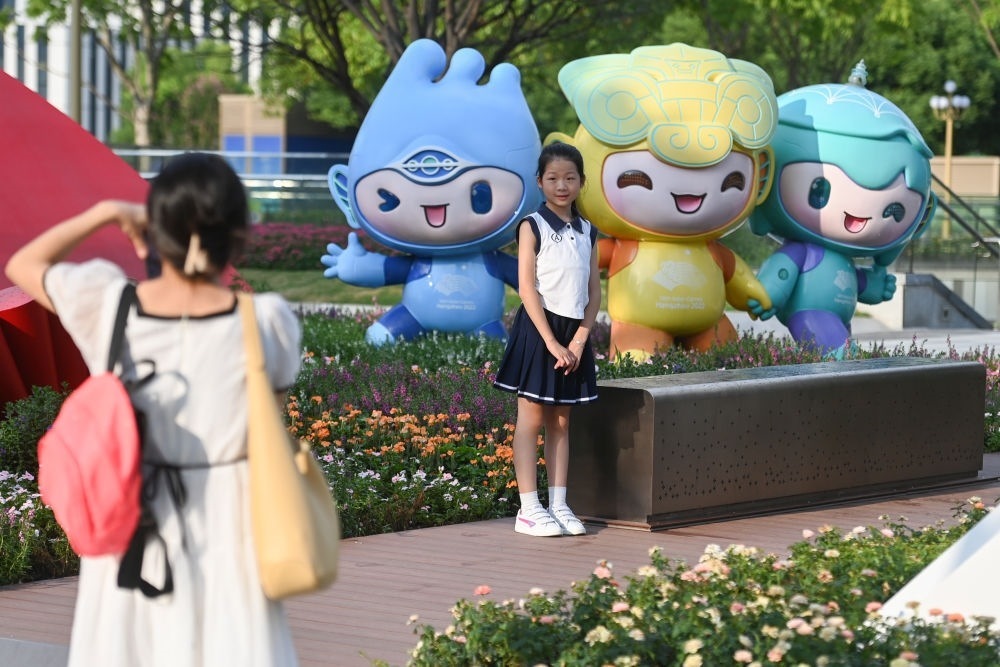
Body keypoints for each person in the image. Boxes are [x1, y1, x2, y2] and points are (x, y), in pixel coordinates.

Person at [5, 152, 302, 666]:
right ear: (239, 235)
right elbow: (269, 422)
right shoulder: (266, 322)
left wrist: (105, 212)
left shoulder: (108, 306)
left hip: (133, 522)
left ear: (152, 230)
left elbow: (22, 267)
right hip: (228, 523)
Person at [493, 142, 601, 537]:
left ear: (581, 182)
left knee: (561, 420)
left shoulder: (589, 230)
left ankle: (559, 505)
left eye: (570, 178)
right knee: (532, 418)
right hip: (539, 331)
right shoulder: (532, 225)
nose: (562, 185)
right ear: (540, 181)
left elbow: (594, 293)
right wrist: (553, 344)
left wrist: (578, 341)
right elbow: (526, 289)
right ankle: (528, 509)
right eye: (553, 178)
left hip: (573, 335)